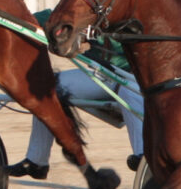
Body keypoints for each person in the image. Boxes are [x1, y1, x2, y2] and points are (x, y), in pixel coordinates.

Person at [9, 27, 143, 180]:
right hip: (102, 74)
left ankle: (143, 158)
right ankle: (36, 162)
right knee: (48, 88)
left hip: (135, 76)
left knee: (128, 92)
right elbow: (53, 20)